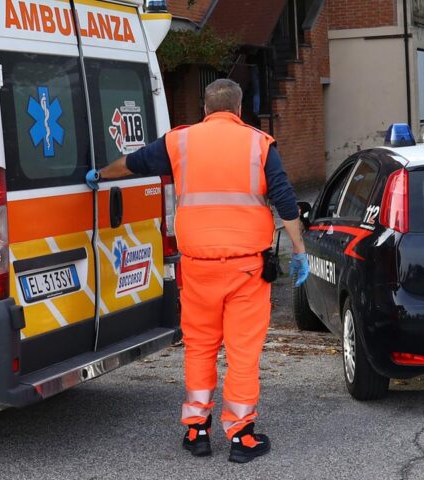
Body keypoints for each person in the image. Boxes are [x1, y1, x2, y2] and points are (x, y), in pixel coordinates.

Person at [85, 79, 309, 463]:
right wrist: (299, 250)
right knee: (242, 353)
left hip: (197, 269)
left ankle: (196, 430)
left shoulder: (180, 142)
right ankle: (241, 437)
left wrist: (100, 176)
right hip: (246, 271)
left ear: (205, 110)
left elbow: (134, 162)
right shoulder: (259, 144)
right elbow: (285, 200)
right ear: (239, 110)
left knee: (200, 349)